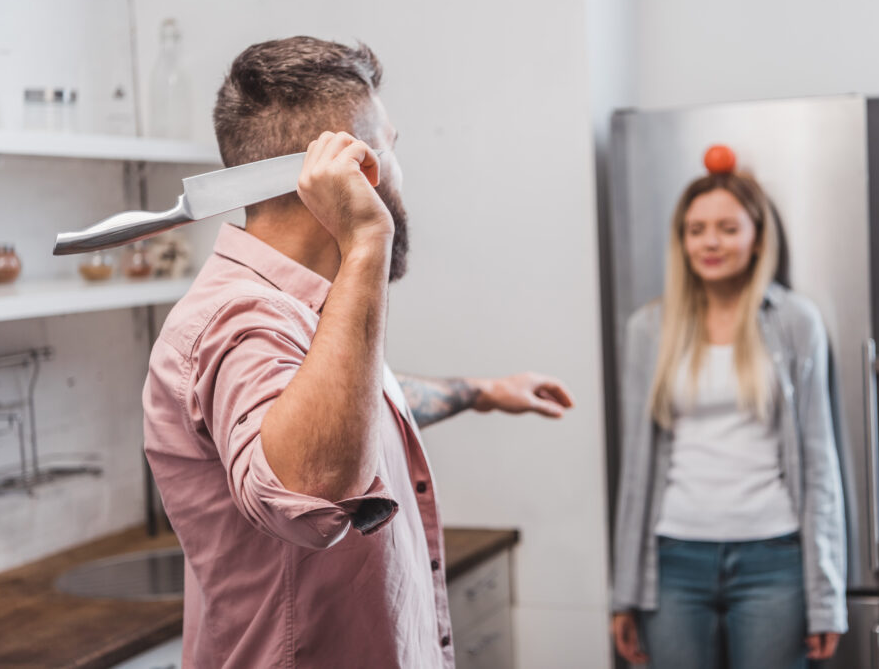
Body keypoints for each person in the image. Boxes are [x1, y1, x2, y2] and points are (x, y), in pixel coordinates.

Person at [142, 36, 574, 668]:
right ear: (357, 173)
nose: (399, 170)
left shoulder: (308, 312)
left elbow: (360, 404)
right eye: (391, 148)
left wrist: (482, 391)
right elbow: (314, 491)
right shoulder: (236, 321)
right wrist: (370, 238)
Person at [610, 156, 847, 668]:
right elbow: (636, 468)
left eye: (726, 228)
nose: (710, 242)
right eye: (696, 230)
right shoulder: (648, 329)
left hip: (774, 558)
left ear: (758, 238)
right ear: (682, 241)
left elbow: (819, 460)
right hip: (672, 560)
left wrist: (826, 598)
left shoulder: (795, 322)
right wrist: (624, 593)